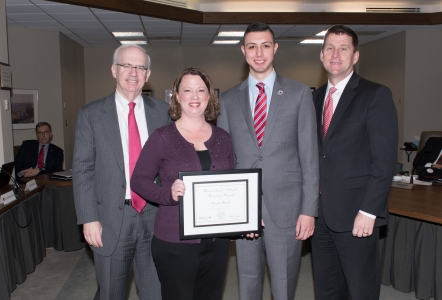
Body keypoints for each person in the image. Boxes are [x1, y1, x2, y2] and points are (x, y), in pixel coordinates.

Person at [217, 22, 319, 300]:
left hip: (288, 210)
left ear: (275, 48)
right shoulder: (227, 100)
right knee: (248, 283)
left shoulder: (299, 94)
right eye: (252, 46)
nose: (258, 52)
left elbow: (309, 156)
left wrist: (309, 210)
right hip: (244, 211)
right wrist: (236, 211)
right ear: (243, 51)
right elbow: (226, 161)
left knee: (283, 285)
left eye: (265, 45)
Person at [72, 44, 170, 300]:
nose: (133, 72)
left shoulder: (163, 113)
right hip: (110, 220)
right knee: (111, 292)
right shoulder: (90, 115)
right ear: (114, 70)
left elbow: (172, 165)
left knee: (155, 291)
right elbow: (83, 171)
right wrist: (88, 218)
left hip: (154, 216)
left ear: (148, 74)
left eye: (140, 66)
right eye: (127, 65)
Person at [130, 67, 234, 300]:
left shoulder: (223, 137)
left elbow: (232, 183)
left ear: (210, 96)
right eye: (187, 90)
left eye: (201, 90)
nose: (194, 97)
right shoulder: (162, 137)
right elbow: (138, 180)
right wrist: (167, 194)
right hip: (175, 241)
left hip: (217, 241)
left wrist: (244, 216)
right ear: (177, 96)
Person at [311, 24, 398, 300]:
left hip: (356, 217)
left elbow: (383, 162)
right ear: (321, 54)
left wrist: (369, 211)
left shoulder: (375, 94)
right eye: (330, 48)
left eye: (344, 49)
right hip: (319, 217)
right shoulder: (312, 98)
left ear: (355, 56)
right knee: (326, 290)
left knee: (361, 290)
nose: (336, 54)